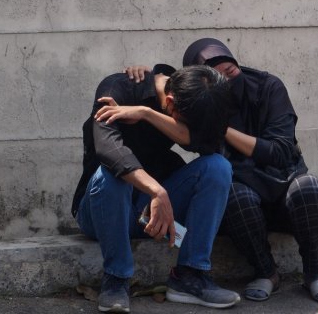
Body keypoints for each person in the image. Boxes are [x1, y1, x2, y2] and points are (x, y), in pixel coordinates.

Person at [126, 38, 318, 304]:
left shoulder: (267, 87)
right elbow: (176, 106)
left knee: (310, 189)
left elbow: (280, 152)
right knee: (237, 196)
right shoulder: (198, 107)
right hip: (241, 203)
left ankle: (315, 274)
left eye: (227, 65)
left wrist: (219, 127)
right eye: (214, 71)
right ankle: (266, 273)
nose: (225, 73)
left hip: (284, 185)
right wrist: (152, 78)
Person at [71, 64, 241, 312]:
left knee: (218, 167)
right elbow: (109, 150)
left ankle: (189, 276)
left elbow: (203, 143)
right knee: (111, 175)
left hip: (147, 216)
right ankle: (116, 279)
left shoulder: (188, 93)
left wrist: (146, 114)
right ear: (171, 104)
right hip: (100, 212)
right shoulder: (116, 88)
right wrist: (157, 191)